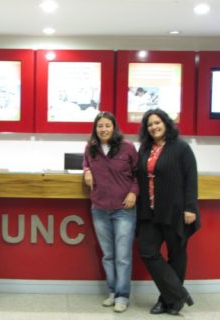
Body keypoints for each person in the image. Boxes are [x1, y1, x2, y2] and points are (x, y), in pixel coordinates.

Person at [136, 108, 200, 316]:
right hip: (149, 212)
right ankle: (179, 294)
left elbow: (191, 178)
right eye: (150, 124)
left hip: (175, 211)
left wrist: (190, 207)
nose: (154, 127)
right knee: (147, 250)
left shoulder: (181, 148)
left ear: (166, 123)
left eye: (157, 122)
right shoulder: (145, 149)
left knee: (177, 255)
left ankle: (167, 301)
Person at [82, 111, 139, 313]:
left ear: (114, 127)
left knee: (122, 256)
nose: (103, 129)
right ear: (95, 129)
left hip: (123, 209)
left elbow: (138, 174)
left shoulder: (128, 147)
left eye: (107, 125)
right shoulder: (92, 148)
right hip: (99, 209)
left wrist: (133, 192)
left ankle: (123, 296)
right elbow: (85, 162)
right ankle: (113, 292)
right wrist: (87, 171)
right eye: (100, 126)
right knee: (108, 255)